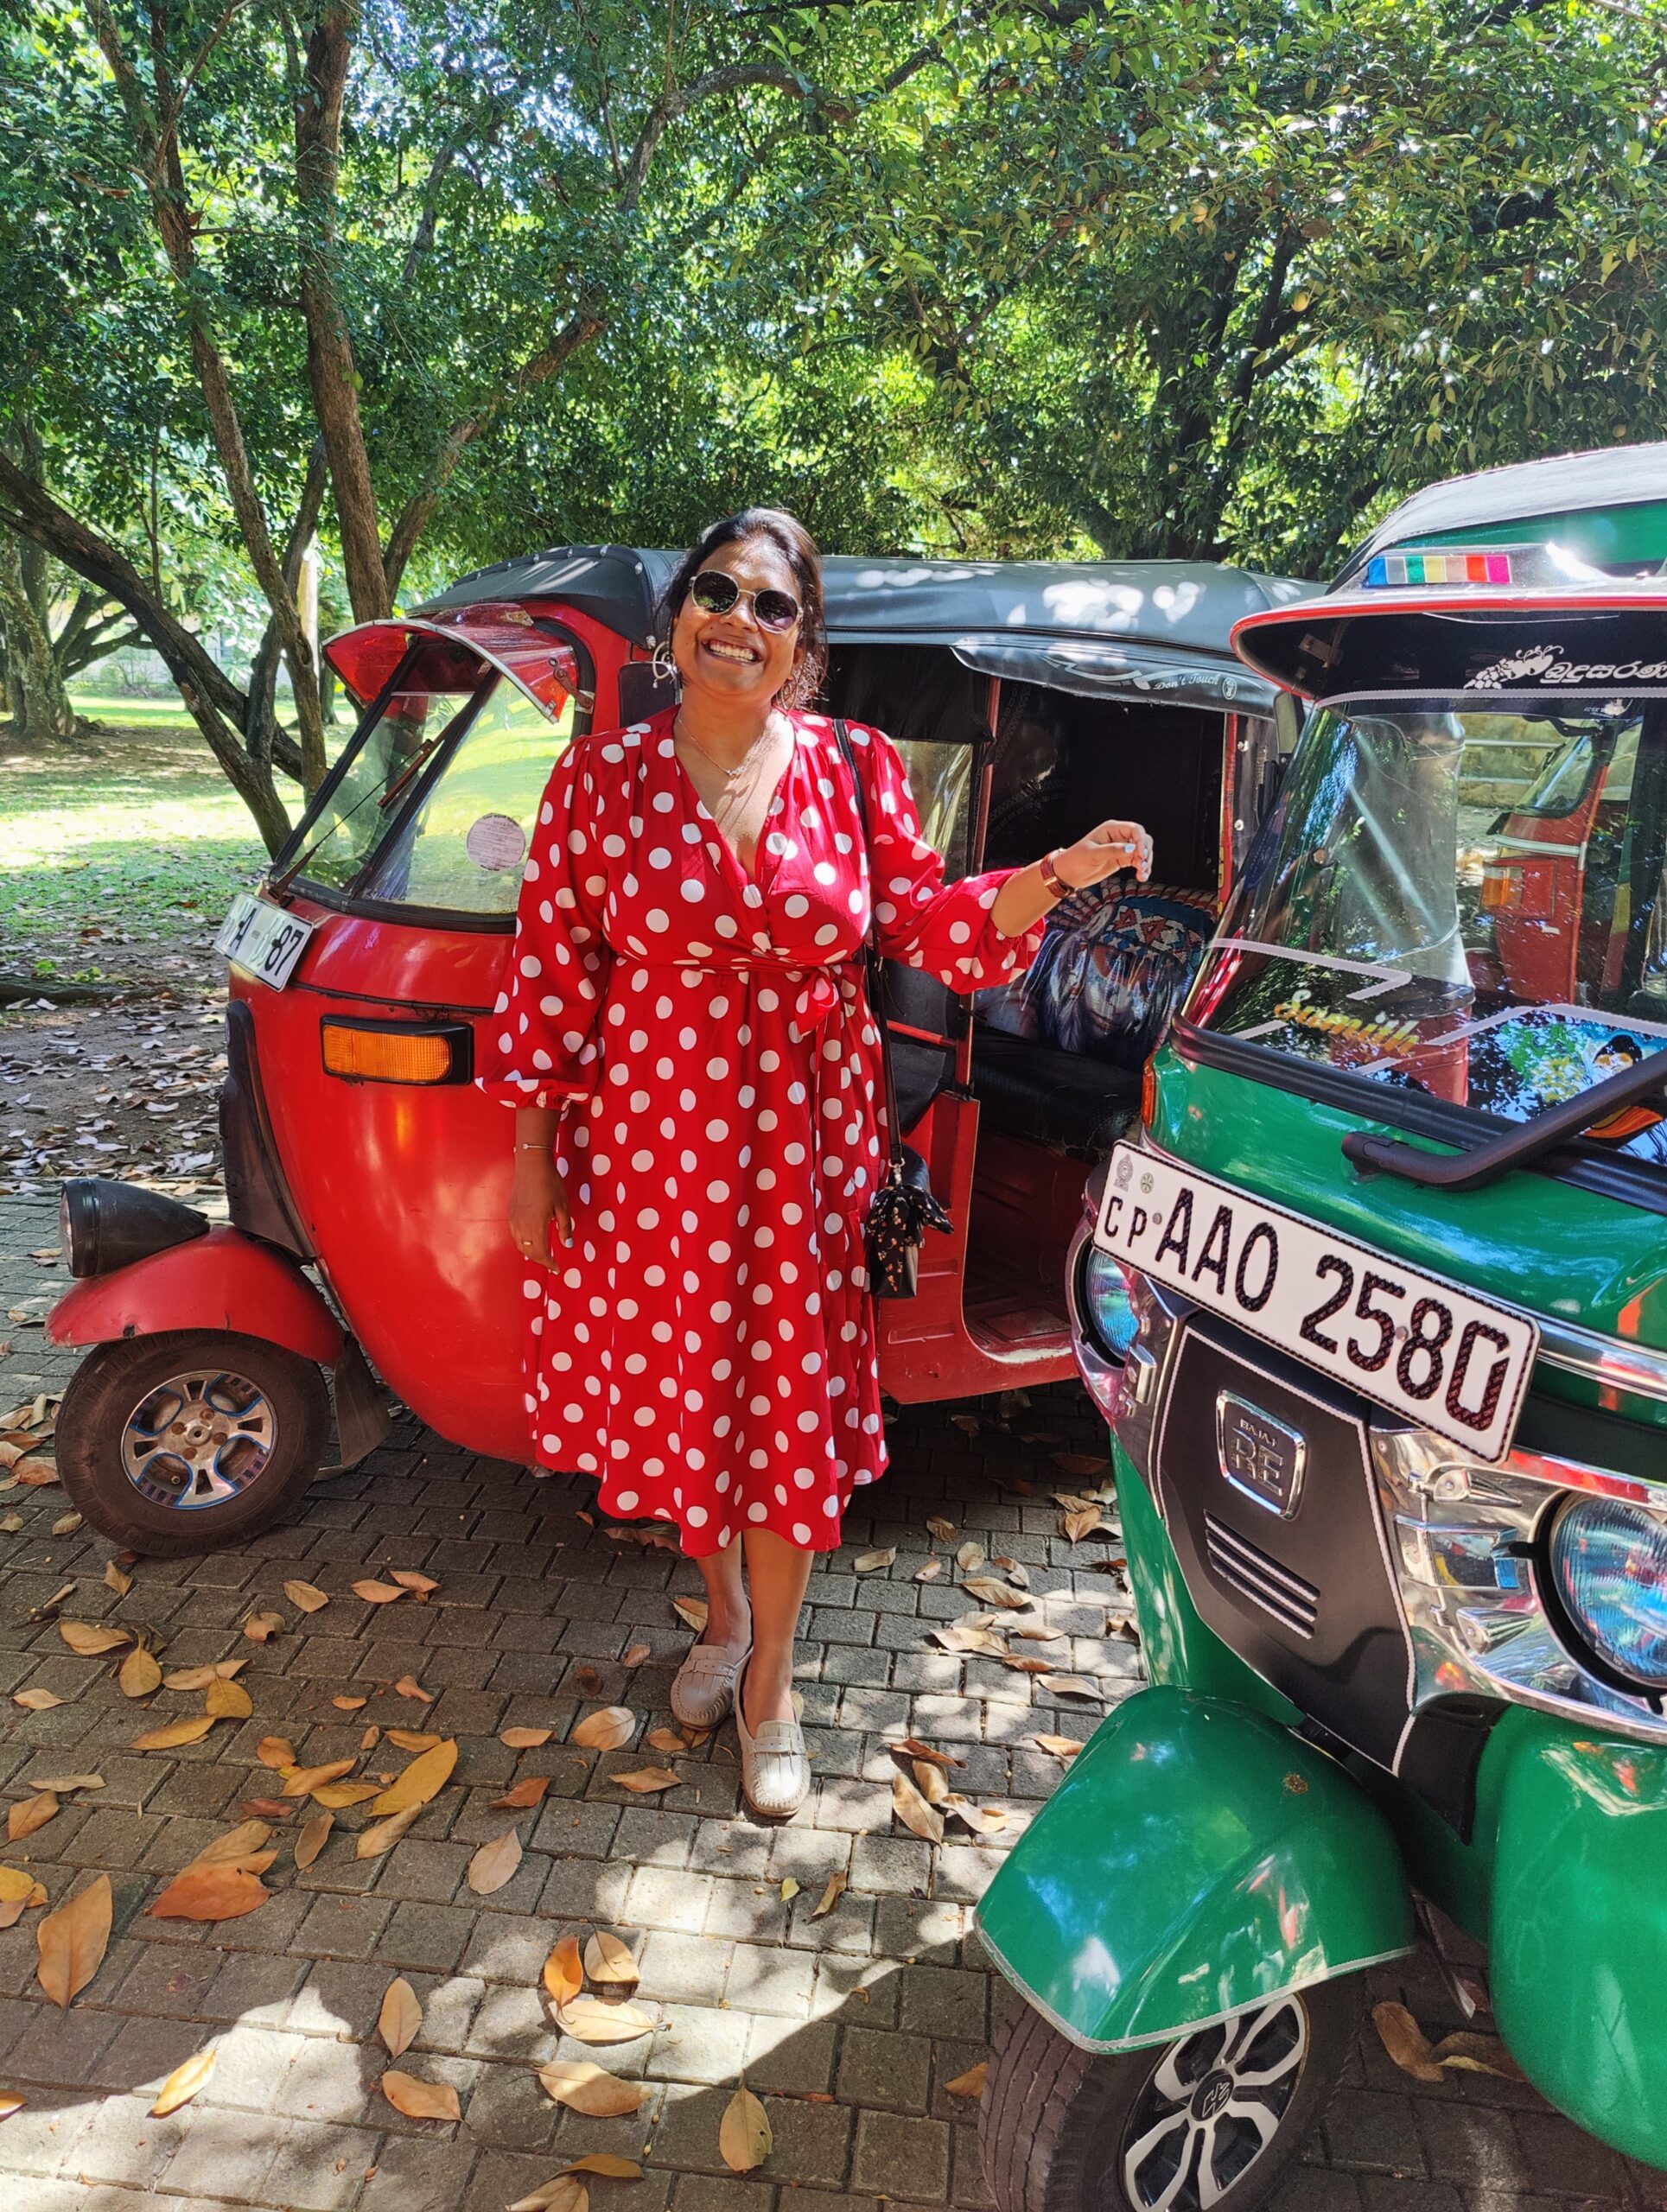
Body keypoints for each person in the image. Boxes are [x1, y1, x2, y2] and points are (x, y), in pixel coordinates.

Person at [477, 508, 1152, 1817]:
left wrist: (1058, 875)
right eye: (717, 593)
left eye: (772, 604)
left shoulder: (852, 767)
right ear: (678, 617)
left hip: (802, 1139)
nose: (740, 619)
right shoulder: (600, 779)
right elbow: (551, 977)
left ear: (804, 638)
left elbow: (936, 928)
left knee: (779, 1401)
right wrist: (533, 1160)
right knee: (688, 1394)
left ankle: (772, 1682)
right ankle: (720, 1623)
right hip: (650, 1145)